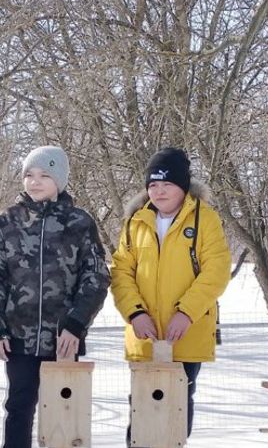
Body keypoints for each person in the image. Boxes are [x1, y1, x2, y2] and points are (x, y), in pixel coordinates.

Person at [0, 146, 110, 448]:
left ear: (60, 180)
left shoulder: (79, 222)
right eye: (28, 175)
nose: (34, 182)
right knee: (18, 407)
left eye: (44, 175)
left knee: (64, 411)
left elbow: (96, 276)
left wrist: (76, 324)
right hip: (17, 339)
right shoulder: (6, 222)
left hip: (63, 338)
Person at [110, 147, 232, 441]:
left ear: (183, 186)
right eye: (153, 185)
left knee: (177, 406)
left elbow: (216, 271)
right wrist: (135, 313)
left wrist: (187, 312)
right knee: (141, 407)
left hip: (185, 336)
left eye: (167, 184)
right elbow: (121, 272)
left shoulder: (205, 219)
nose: (159, 191)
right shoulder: (135, 222)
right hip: (145, 337)